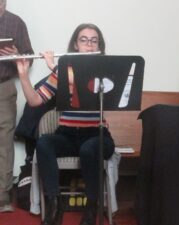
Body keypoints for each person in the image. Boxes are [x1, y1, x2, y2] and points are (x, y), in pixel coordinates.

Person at [16, 23, 115, 225]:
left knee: (89, 149)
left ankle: (92, 208)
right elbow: (36, 101)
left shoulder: (105, 70)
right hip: (68, 134)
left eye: (94, 40)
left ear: (99, 46)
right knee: (44, 143)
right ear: (76, 45)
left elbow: (87, 90)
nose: (89, 44)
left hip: (97, 136)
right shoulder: (65, 69)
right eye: (84, 40)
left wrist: (55, 67)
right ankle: (54, 204)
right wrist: (24, 75)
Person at [0, 0, 34, 212]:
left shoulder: (16, 23)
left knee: (4, 142)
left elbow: (30, 57)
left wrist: (16, 56)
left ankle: (2, 196)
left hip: (4, 87)